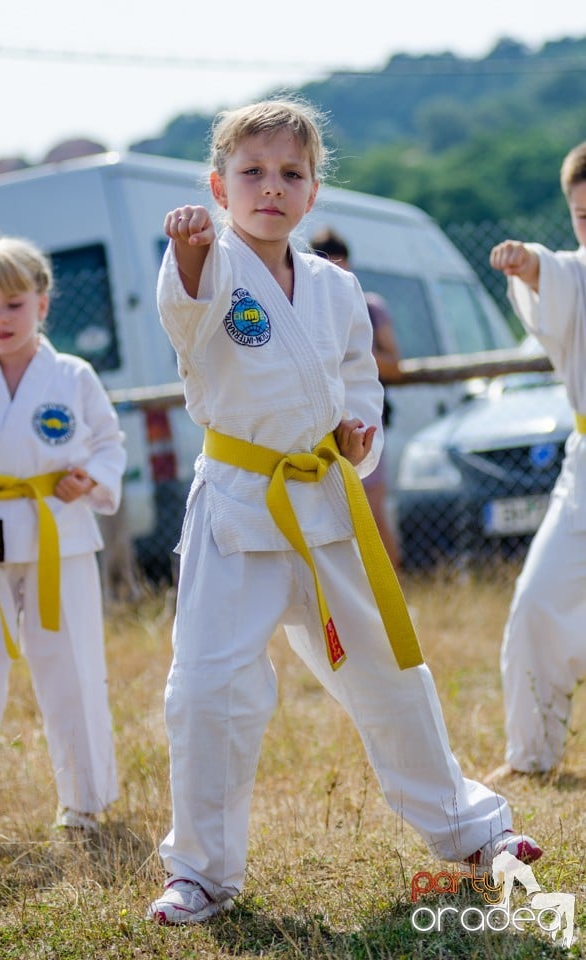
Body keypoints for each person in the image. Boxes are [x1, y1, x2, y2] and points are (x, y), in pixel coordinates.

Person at [146, 97, 541, 926]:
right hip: (239, 513)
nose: (271, 188)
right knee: (208, 689)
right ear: (219, 186)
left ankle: (473, 829)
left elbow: (360, 389)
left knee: (391, 676)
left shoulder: (336, 287)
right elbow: (185, 326)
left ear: (313, 192)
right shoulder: (208, 264)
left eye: (291, 173)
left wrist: (358, 434)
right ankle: (203, 872)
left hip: (325, 504)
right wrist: (185, 254)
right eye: (251, 173)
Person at [0, 235, 126, 853]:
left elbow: (109, 444)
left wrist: (94, 479)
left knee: (72, 666)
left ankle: (83, 801)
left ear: (43, 305)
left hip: (59, 530)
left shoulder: (72, 375)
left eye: (13, 305)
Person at [487, 141, 586, 780]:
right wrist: (529, 267)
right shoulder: (577, 273)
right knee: (537, 598)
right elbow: (556, 277)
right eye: (582, 216)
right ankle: (531, 753)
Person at [309, 228, 402, 570]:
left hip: (363, 421)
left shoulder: (370, 307)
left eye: (340, 265)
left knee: (373, 515)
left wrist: (350, 353)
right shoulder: (304, 306)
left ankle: (394, 598)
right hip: (320, 426)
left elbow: (394, 364)